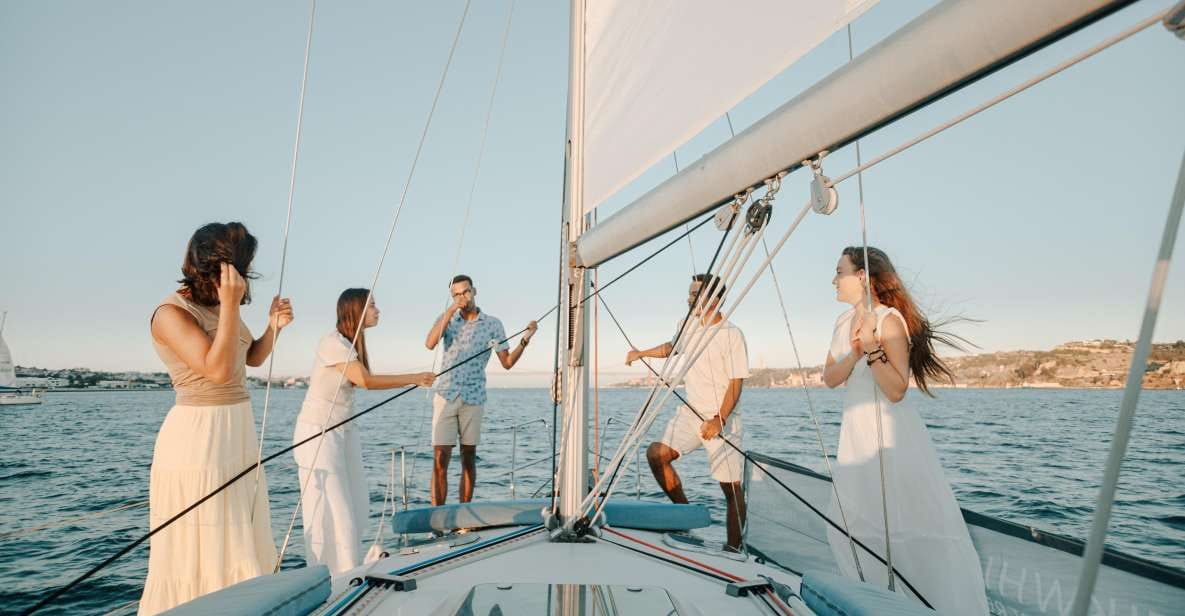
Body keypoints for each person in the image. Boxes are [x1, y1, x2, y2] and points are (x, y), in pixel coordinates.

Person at [822, 245, 988, 615]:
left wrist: (871, 348)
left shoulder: (889, 320)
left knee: (902, 531)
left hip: (890, 437)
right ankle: (873, 603)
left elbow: (897, 389)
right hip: (855, 438)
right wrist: (854, 352)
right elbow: (829, 378)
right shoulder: (839, 324)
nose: (833, 279)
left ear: (862, 277)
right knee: (847, 528)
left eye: (839, 271)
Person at [140, 222, 293, 614]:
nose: (244, 276)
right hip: (199, 440)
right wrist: (229, 305)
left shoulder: (220, 308)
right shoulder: (171, 313)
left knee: (241, 537)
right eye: (241, 266)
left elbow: (251, 358)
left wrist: (273, 327)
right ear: (215, 265)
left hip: (236, 433)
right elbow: (218, 370)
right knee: (205, 544)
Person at [293, 289, 435, 575]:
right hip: (318, 433)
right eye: (372, 306)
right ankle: (334, 576)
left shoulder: (350, 345)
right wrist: (415, 378)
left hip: (343, 430)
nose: (377, 310)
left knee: (357, 504)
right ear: (355, 310)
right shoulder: (331, 343)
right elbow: (365, 381)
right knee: (334, 510)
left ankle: (349, 567)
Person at [628, 273, 750, 551]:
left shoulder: (732, 334)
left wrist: (720, 419)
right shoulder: (687, 324)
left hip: (722, 418)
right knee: (656, 454)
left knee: (730, 489)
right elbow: (673, 348)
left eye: (694, 294)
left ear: (714, 299)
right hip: (691, 413)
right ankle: (685, 517)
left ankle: (733, 550)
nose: (688, 299)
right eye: (690, 293)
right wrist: (641, 353)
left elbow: (736, 380)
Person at [424, 274, 537, 506]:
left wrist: (526, 338)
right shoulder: (447, 319)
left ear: (474, 291)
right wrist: (449, 311)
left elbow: (507, 363)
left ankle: (464, 515)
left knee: (468, 458)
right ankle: (438, 520)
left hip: (474, 398)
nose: (462, 297)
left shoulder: (492, 325)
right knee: (439, 459)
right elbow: (430, 343)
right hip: (445, 394)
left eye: (465, 292)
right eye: (456, 294)